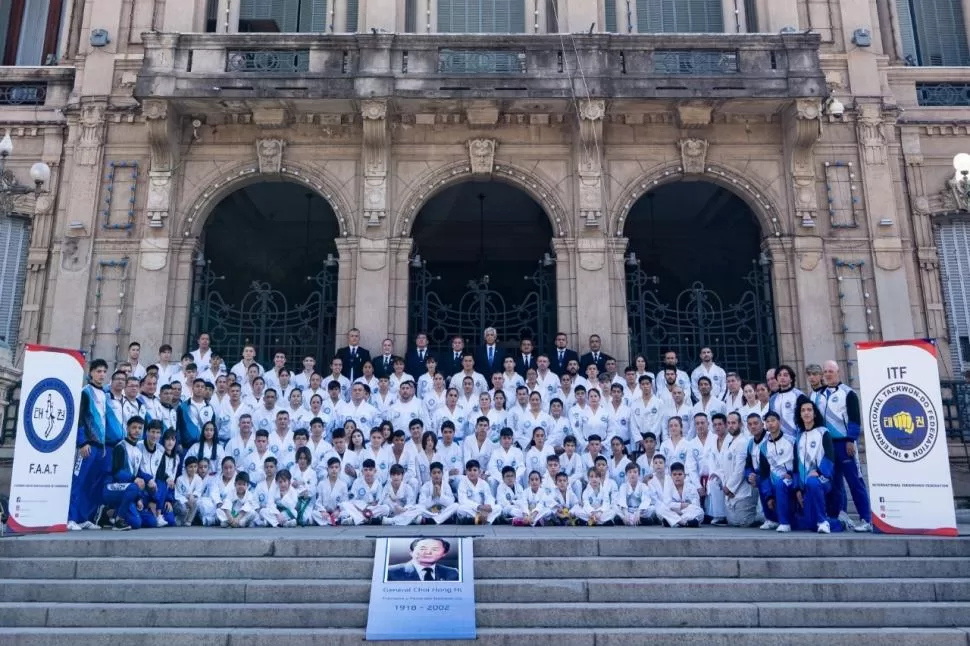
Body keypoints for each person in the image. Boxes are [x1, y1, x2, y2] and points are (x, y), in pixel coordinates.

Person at [816, 360, 872, 532]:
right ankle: (838, 517)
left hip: (844, 444)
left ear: (838, 372)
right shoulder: (820, 395)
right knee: (834, 484)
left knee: (855, 482)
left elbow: (855, 418)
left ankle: (866, 519)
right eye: (825, 371)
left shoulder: (848, 393)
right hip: (828, 446)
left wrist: (850, 439)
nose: (827, 374)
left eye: (831, 371)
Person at [69, 359, 117, 530]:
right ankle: (71, 518)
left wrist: (103, 446)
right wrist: (82, 442)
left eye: (104, 371)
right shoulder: (85, 392)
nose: (102, 374)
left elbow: (102, 422)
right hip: (87, 445)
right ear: (91, 373)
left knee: (92, 483)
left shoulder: (104, 394)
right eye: (98, 371)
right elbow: (80, 419)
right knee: (79, 481)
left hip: (99, 447)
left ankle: (84, 517)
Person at [793, 395, 836, 534]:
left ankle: (823, 521)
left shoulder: (823, 432)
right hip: (804, 484)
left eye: (809, 410)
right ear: (800, 414)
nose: (806, 413)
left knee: (812, 482)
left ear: (814, 413)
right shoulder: (799, 436)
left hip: (822, 480)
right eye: (803, 410)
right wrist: (797, 489)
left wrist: (819, 471)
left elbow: (830, 457)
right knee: (808, 525)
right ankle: (838, 522)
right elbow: (795, 464)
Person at [386, 538, 460, 582]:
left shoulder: (453, 573)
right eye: (422, 548)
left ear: (444, 554)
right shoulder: (390, 571)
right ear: (411, 553)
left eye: (435, 549)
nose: (428, 552)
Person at [342, 458, 388, 525]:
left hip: (372, 509)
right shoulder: (357, 482)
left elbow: (379, 500)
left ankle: (357, 519)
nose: (368, 472)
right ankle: (368, 519)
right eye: (366, 470)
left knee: (386, 508)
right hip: (360, 508)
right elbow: (352, 500)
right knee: (345, 504)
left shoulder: (378, 483)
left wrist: (373, 505)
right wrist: (364, 506)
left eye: (370, 470)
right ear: (362, 471)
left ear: (375, 471)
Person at [659, 462, 704, 527]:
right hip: (675, 512)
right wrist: (681, 505)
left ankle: (675, 521)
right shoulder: (668, 487)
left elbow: (696, 505)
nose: (677, 477)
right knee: (661, 509)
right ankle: (685, 523)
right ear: (671, 476)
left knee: (699, 511)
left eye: (680, 474)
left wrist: (681, 511)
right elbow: (667, 504)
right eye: (674, 474)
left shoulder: (691, 487)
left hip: (687, 512)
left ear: (684, 476)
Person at [457, 460, 500, 524]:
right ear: (466, 472)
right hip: (472, 508)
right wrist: (479, 507)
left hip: (484, 510)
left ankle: (481, 520)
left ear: (479, 471)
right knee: (460, 509)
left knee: (498, 507)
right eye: (469, 470)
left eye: (474, 470)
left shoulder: (484, 483)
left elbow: (489, 497)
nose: (472, 472)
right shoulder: (462, 483)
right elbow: (463, 500)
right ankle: (485, 519)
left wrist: (488, 506)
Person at [769, 365, 804, 442]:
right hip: (778, 439)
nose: (782, 378)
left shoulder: (799, 395)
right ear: (777, 379)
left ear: (791, 379)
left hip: (796, 438)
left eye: (785, 375)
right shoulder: (772, 399)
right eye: (779, 375)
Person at [311, 457, 350, 526]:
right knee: (314, 513)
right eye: (331, 467)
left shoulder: (343, 485)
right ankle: (334, 521)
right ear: (327, 469)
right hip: (325, 513)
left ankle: (329, 521)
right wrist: (322, 511)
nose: (334, 470)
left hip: (337, 513)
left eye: (336, 467)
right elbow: (318, 502)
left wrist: (338, 510)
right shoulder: (321, 484)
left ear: (340, 469)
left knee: (346, 512)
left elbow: (344, 502)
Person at [616, 461, 655, 525]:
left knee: (652, 508)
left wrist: (638, 512)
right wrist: (625, 514)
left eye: (635, 472)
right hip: (628, 510)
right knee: (614, 507)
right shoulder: (623, 486)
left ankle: (631, 520)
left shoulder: (643, 486)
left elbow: (645, 500)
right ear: (626, 474)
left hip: (640, 511)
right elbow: (622, 500)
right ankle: (632, 520)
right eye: (630, 472)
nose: (632, 474)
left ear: (639, 474)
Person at [174, 455, 204, 526]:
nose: (193, 469)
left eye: (195, 466)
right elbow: (177, 494)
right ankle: (180, 519)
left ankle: (189, 521)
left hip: (192, 501)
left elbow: (198, 492)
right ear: (186, 467)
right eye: (190, 467)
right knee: (183, 508)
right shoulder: (180, 479)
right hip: (181, 502)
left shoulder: (198, 479)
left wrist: (192, 496)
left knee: (196, 503)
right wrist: (186, 500)